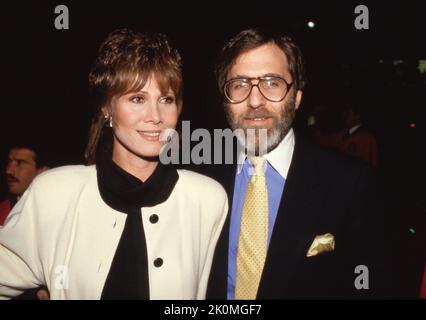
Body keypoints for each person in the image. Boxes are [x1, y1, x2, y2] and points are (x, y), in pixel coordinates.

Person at [0, 28, 228, 300]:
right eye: (137, 99)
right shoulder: (54, 192)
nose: (155, 116)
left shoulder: (207, 200)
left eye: (165, 100)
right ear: (107, 108)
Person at [206, 28, 389, 299]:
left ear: (297, 97)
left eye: (272, 83)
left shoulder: (350, 183)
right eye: (240, 84)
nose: (255, 100)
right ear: (226, 100)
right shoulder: (200, 180)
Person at [0, 143, 49, 225]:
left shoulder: (55, 210)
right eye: (9, 162)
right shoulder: (3, 210)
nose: (8, 171)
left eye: (20, 163)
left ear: (42, 171)